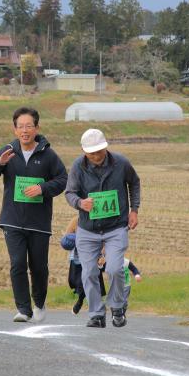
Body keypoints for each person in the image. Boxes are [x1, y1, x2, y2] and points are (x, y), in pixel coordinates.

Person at [0, 107, 67, 323]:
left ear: (37, 128)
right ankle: (23, 309)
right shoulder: (8, 151)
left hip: (38, 222)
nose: (25, 130)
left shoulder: (48, 155)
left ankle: (39, 303)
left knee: (38, 267)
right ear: (14, 128)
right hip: (12, 220)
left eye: (29, 126)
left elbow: (63, 180)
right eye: (20, 126)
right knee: (17, 263)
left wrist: (43, 188)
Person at [65, 128, 140, 328]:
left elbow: (134, 183)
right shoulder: (77, 167)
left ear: (106, 147)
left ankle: (117, 307)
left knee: (115, 269)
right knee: (88, 272)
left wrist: (134, 210)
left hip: (116, 228)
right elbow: (70, 193)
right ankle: (97, 314)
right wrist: (80, 203)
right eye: (91, 152)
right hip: (87, 230)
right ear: (83, 151)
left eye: (99, 151)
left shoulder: (121, 163)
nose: (96, 156)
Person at [60, 216, 106, 315]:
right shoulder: (76, 220)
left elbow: (105, 241)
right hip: (77, 258)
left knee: (89, 280)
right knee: (75, 282)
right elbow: (66, 237)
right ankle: (89, 302)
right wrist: (71, 239)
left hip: (93, 256)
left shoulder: (100, 222)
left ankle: (83, 302)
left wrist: (102, 255)